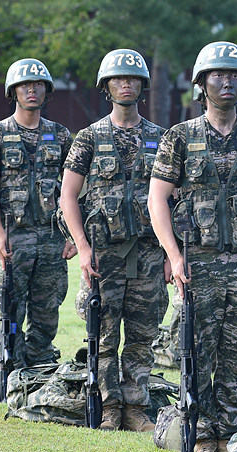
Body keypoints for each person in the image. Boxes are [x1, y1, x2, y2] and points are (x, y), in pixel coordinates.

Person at [148, 41, 237, 452]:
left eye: (234, 75)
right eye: (217, 75)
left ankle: (229, 431)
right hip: (198, 263)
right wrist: (173, 256)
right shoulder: (180, 137)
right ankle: (201, 432)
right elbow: (157, 200)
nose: (227, 82)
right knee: (196, 352)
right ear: (202, 84)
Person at [61, 48, 166, 432]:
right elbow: (68, 196)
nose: (126, 84)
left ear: (142, 85)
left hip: (150, 254)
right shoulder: (89, 137)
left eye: (132, 78)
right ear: (107, 87)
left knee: (142, 335)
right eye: (118, 78)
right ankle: (108, 407)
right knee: (103, 336)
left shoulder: (161, 138)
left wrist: (171, 255)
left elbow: (177, 199)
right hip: (103, 254)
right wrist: (83, 248)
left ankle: (136, 408)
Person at [0, 58, 74, 369]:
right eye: (24, 85)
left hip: (51, 237)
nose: (32, 90)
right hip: (14, 236)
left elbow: (72, 191)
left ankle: (40, 367)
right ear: (13, 91)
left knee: (47, 308)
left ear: (47, 91)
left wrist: (72, 235)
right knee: (10, 308)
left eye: (38, 84)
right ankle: (11, 368)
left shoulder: (61, 135)